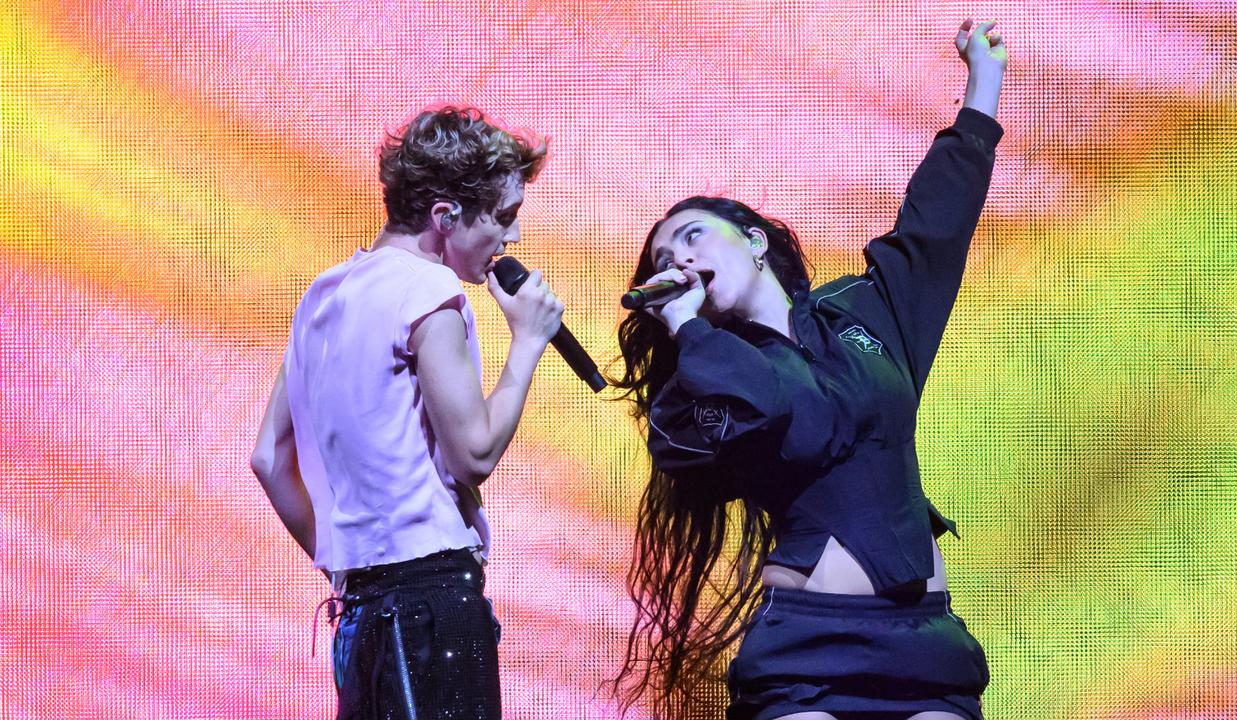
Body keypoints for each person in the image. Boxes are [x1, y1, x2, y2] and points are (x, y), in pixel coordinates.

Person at [611, 20, 1008, 720]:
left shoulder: (862, 312)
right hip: (805, 650)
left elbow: (933, 228)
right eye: (662, 258)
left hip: (924, 646)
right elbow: (772, 404)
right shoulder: (689, 394)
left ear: (755, 241)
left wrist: (984, 83)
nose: (677, 258)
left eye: (692, 235)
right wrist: (689, 330)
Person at [250, 106, 563, 719]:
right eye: (503, 218)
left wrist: (349, 564)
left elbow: (268, 457)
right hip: (431, 603)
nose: (513, 239)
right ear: (445, 216)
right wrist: (527, 342)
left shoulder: (326, 292)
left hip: (361, 611)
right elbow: (473, 454)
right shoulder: (429, 294)